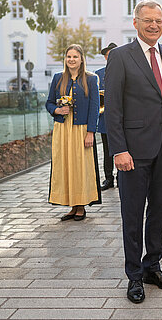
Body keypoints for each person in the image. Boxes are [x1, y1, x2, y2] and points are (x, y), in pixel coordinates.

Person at [105, 0, 162, 304]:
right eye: (148, 20)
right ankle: (134, 275)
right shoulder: (120, 57)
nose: (154, 25)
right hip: (133, 153)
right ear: (135, 22)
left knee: (159, 212)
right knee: (133, 215)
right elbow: (112, 108)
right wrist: (119, 149)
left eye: (159, 21)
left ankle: (153, 266)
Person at [46, 44, 101, 222]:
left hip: (81, 129)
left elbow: (94, 108)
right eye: (69, 57)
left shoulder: (91, 80)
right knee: (65, 166)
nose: (71, 60)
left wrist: (91, 132)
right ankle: (71, 205)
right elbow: (49, 103)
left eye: (75, 57)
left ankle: (81, 205)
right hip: (62, 129)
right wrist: (57, 110)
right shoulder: (57, 78)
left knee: (80, 167)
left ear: (81, 59)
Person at [95, 42, 118, 191]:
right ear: (105, 57)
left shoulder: (125, 70)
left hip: (121, 118)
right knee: (107, 150)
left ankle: (122, 177)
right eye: (108, 55)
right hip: (104, 119)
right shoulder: (99, 73)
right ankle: (108, 178)